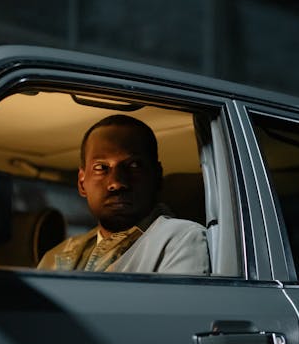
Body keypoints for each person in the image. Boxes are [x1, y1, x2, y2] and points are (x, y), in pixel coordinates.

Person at [38, 114, 210, 275]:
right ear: (82, 183)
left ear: (157, 177)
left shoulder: (181, 239)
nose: (116, 183)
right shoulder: (57, 256)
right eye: (101, 168)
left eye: (133, 165)